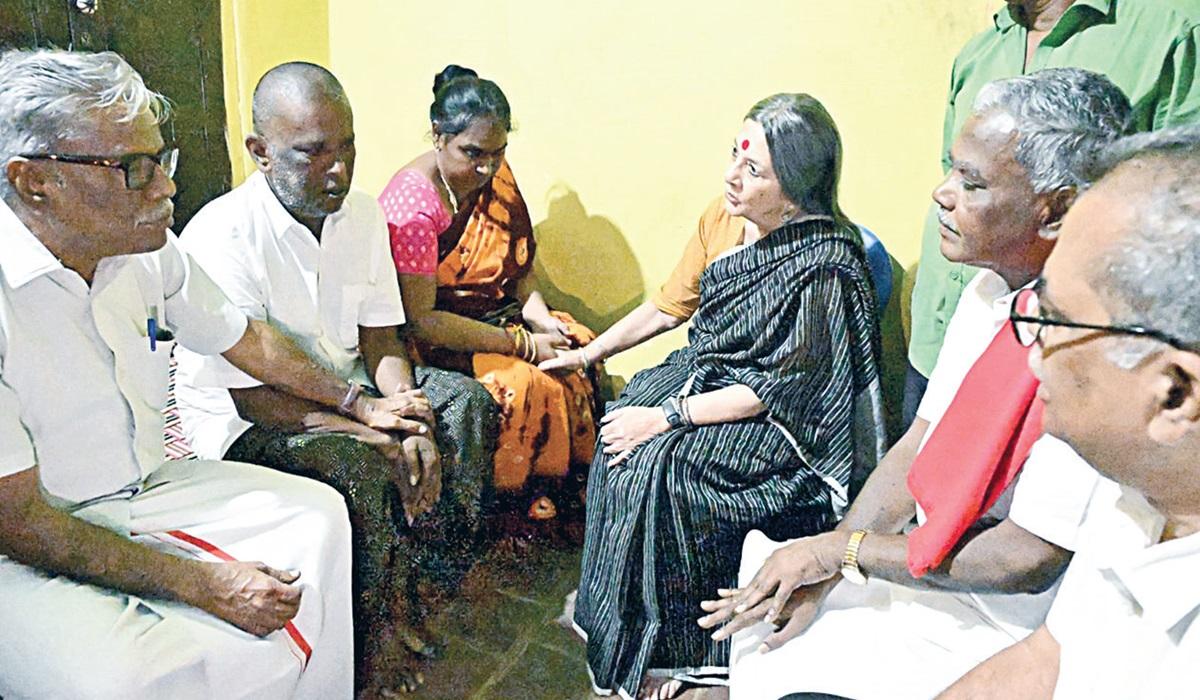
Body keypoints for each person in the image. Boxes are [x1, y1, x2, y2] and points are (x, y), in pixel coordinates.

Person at [0, 48, 428, 698]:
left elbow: (246, 340)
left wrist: (361, 404)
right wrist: (204, 583)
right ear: (35, 181)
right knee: (130, 677)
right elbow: (20, 521)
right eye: (134, 169)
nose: (166, 188)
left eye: (161, 160)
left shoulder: (147, 252)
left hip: (145, 487)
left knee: (318, 517)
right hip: (24, 541)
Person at [701, 69, 1131, 700]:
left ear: (1057, 210)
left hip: (1007, 625)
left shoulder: (1092, 345)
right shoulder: (989, 292)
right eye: (952, 170)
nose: (942, 193)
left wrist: (844, 554)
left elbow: (1023, 559)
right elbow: (916, 448)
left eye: (972, 183)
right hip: (926, 571)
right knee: (769, 641)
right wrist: (832, 559)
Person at [173, 62, 497, 695]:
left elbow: (380, 336)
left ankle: (418, 591)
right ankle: (370, 636)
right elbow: (254, 395)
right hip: (249, 417)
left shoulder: (361, 216)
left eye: (348, 147)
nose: (338, 170)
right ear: (261, 152)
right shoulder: (220, 234)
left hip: (353, 393)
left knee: (465, 407)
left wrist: (407, 409)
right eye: (313, 152)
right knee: (361, 466)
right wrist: (367, 422)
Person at [573, 93, 887, 700]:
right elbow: (672, 306)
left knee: (669, 470)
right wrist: (594, 357)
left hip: (784, 421)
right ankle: (619, 620)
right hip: (718, 376)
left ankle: (685, 652)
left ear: (794, 191)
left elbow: (781, 388)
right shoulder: (723, 218)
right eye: (734, 157)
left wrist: (667, 419)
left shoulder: (823, 265)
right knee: (620, 423)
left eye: (754, 170)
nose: (731, 176)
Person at [941, 127, 1200, 698]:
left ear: (1176, 394)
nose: (1033, 350)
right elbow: (1048, 659)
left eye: (1055, 320)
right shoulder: (1144, 489)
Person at [905, 0, 1200, 426]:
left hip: (1061, 353)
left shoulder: (1172, 33)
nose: (943, 193)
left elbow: (1181, 212)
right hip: (946, 332)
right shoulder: (979, 52)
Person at [378, 64, 597, 518]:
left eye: (498, 153)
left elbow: (518, 267)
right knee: (524, 384)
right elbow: (422, 321)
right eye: (473, 153)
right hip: (438, 338)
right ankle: (512, 515)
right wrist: (524, 345)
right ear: (438, 136)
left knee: (579, 347)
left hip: (497, 318)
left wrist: (540, 318)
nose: (487, 167)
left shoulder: (493, 176)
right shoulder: (414, 208)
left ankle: (566, 502)